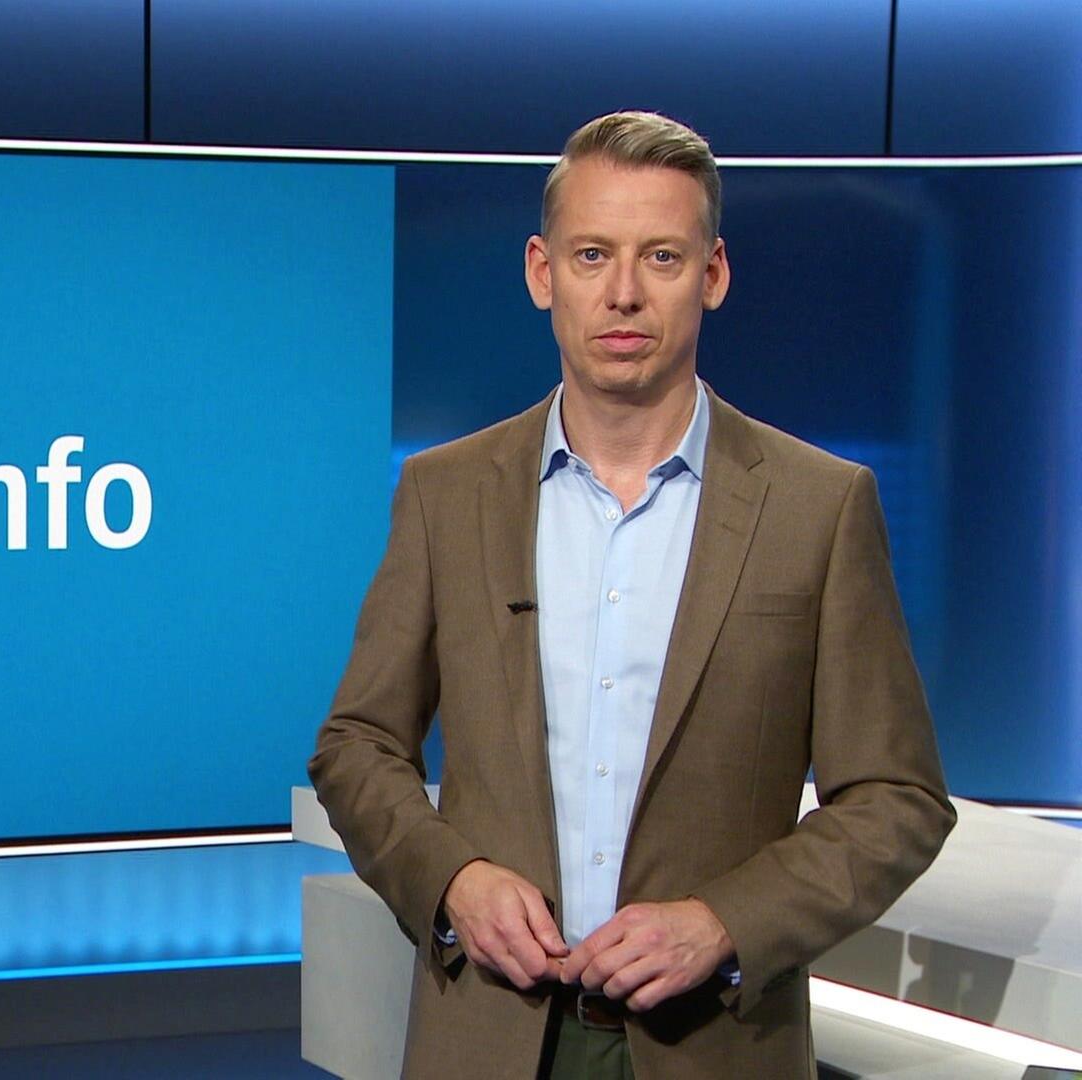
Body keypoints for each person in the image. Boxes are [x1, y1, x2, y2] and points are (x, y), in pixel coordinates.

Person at [306, 110, 955, 1079]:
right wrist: (454, 882)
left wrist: (725, 923)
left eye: (660, 256)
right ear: (542, 273)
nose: (622, 293)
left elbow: (897, 799)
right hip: (492, 1035)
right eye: (591, 255)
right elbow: (356, 745)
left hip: (713, 1041)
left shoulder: (818, 508)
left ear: (713, 274)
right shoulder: (448, 494)